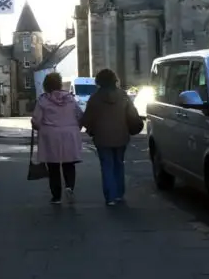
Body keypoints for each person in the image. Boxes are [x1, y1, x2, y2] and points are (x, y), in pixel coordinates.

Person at [81, 68, 143, 206]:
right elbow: (132, 115)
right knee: (119, 164)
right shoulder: (123, 96)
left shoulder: (95, 98)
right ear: (114, 80)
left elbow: (87, 119)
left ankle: (110, 196)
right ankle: (119, 194)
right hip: (121, 136)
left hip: (102, 138)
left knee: (107, 165)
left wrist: (91, 130)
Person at [31, 71, 83, 204]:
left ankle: (56, 196)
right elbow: (80, 116)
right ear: (60, 84)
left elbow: (36, 120)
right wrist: (77, 127)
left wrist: (37, 126)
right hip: (69, 134)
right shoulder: (71, 99)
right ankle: (69, 186)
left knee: (53, 166)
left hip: (51, 135)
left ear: (46, 85)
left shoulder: (43, 100)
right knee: (69, 163)